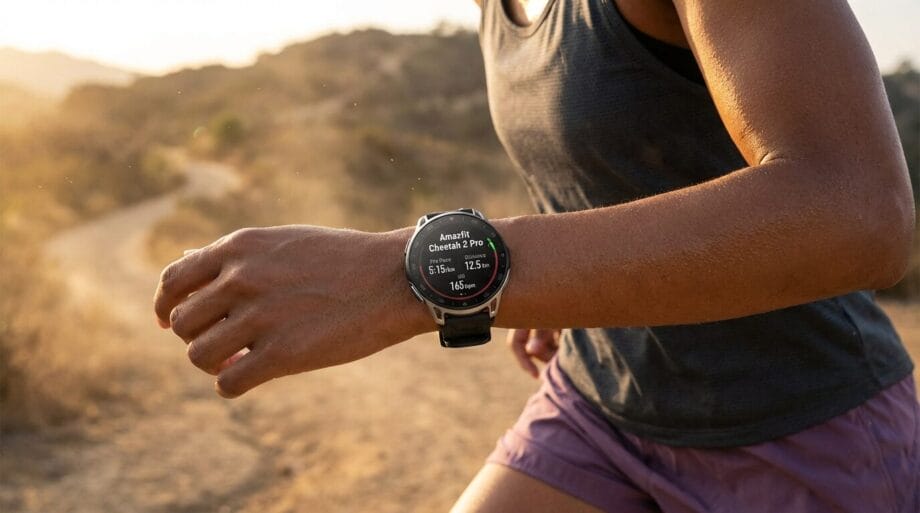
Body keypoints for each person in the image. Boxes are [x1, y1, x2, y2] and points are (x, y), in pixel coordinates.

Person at [153, 0, 918, 511]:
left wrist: (412, 277)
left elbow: (857, 208)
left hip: (803, 427)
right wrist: (564, 289)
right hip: (598, 404)